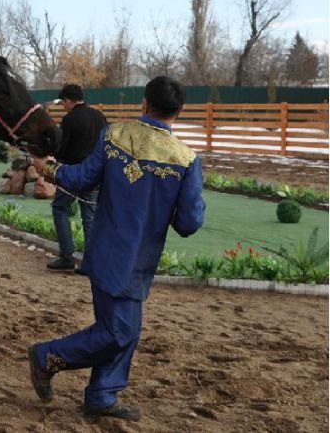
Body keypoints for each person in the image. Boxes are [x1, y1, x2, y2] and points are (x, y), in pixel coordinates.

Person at [27, 76, 205, 421]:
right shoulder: (186, 160)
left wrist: (47, 168)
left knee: (125, 330)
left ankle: (101, 394)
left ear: (144, 103)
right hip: (140, 258)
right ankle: (48, 356)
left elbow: (80, 180)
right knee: (119, 331)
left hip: (106, 251)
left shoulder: (116, 136)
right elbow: (188, 223)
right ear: (179, 112)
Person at [47, 84, 107, 272]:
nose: (63, 106)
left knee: (59, 207)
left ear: (68, 101)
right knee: (89, 216)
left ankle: (67, 256)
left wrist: (54, 160)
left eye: (63, 102)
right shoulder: (100, 116)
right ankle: (92, 262)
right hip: (95, 173)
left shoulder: (69, 119)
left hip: (73, 172)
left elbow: (64, 148)